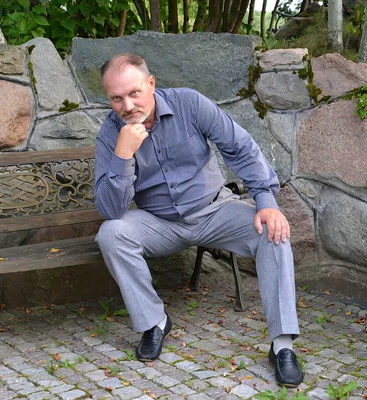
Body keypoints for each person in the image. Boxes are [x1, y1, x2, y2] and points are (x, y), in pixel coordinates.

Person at [94, 53, 303, 387]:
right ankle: (154, 323)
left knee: (273, 232)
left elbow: (240, 147)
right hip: (159, 223)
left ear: (151, 84)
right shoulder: (110, 134)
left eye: (134, 93)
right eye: (116, 98)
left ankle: (282, 345)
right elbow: (111, 210)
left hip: (214, 210)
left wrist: (265, 200)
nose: (127, 105)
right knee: (111, 234)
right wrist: (123, 155)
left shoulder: (189, 104)